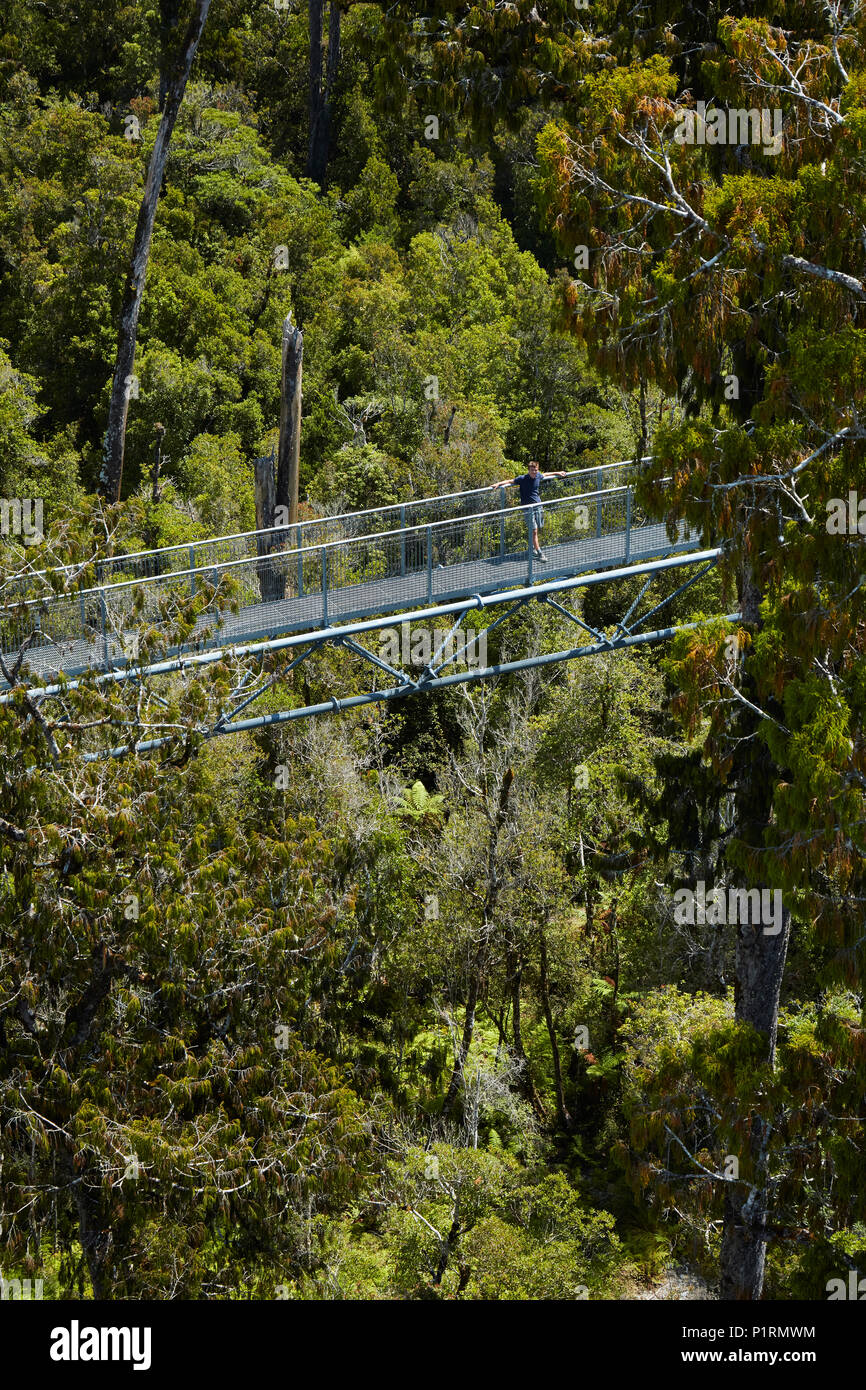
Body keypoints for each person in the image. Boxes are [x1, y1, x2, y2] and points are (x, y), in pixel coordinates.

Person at [489, 459, 566, 561]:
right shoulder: (523, 479)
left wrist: (558, 472)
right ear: (529, 470)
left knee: (539, 527)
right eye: (532, 470)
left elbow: (546, 474)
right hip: (528, 508)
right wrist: (498, 484)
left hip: (538, 506)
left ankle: (534, 549)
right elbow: (510, 481)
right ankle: (539, 553)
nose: (534, 472)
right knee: (534, 531)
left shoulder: (538, 475)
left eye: (536, 470)